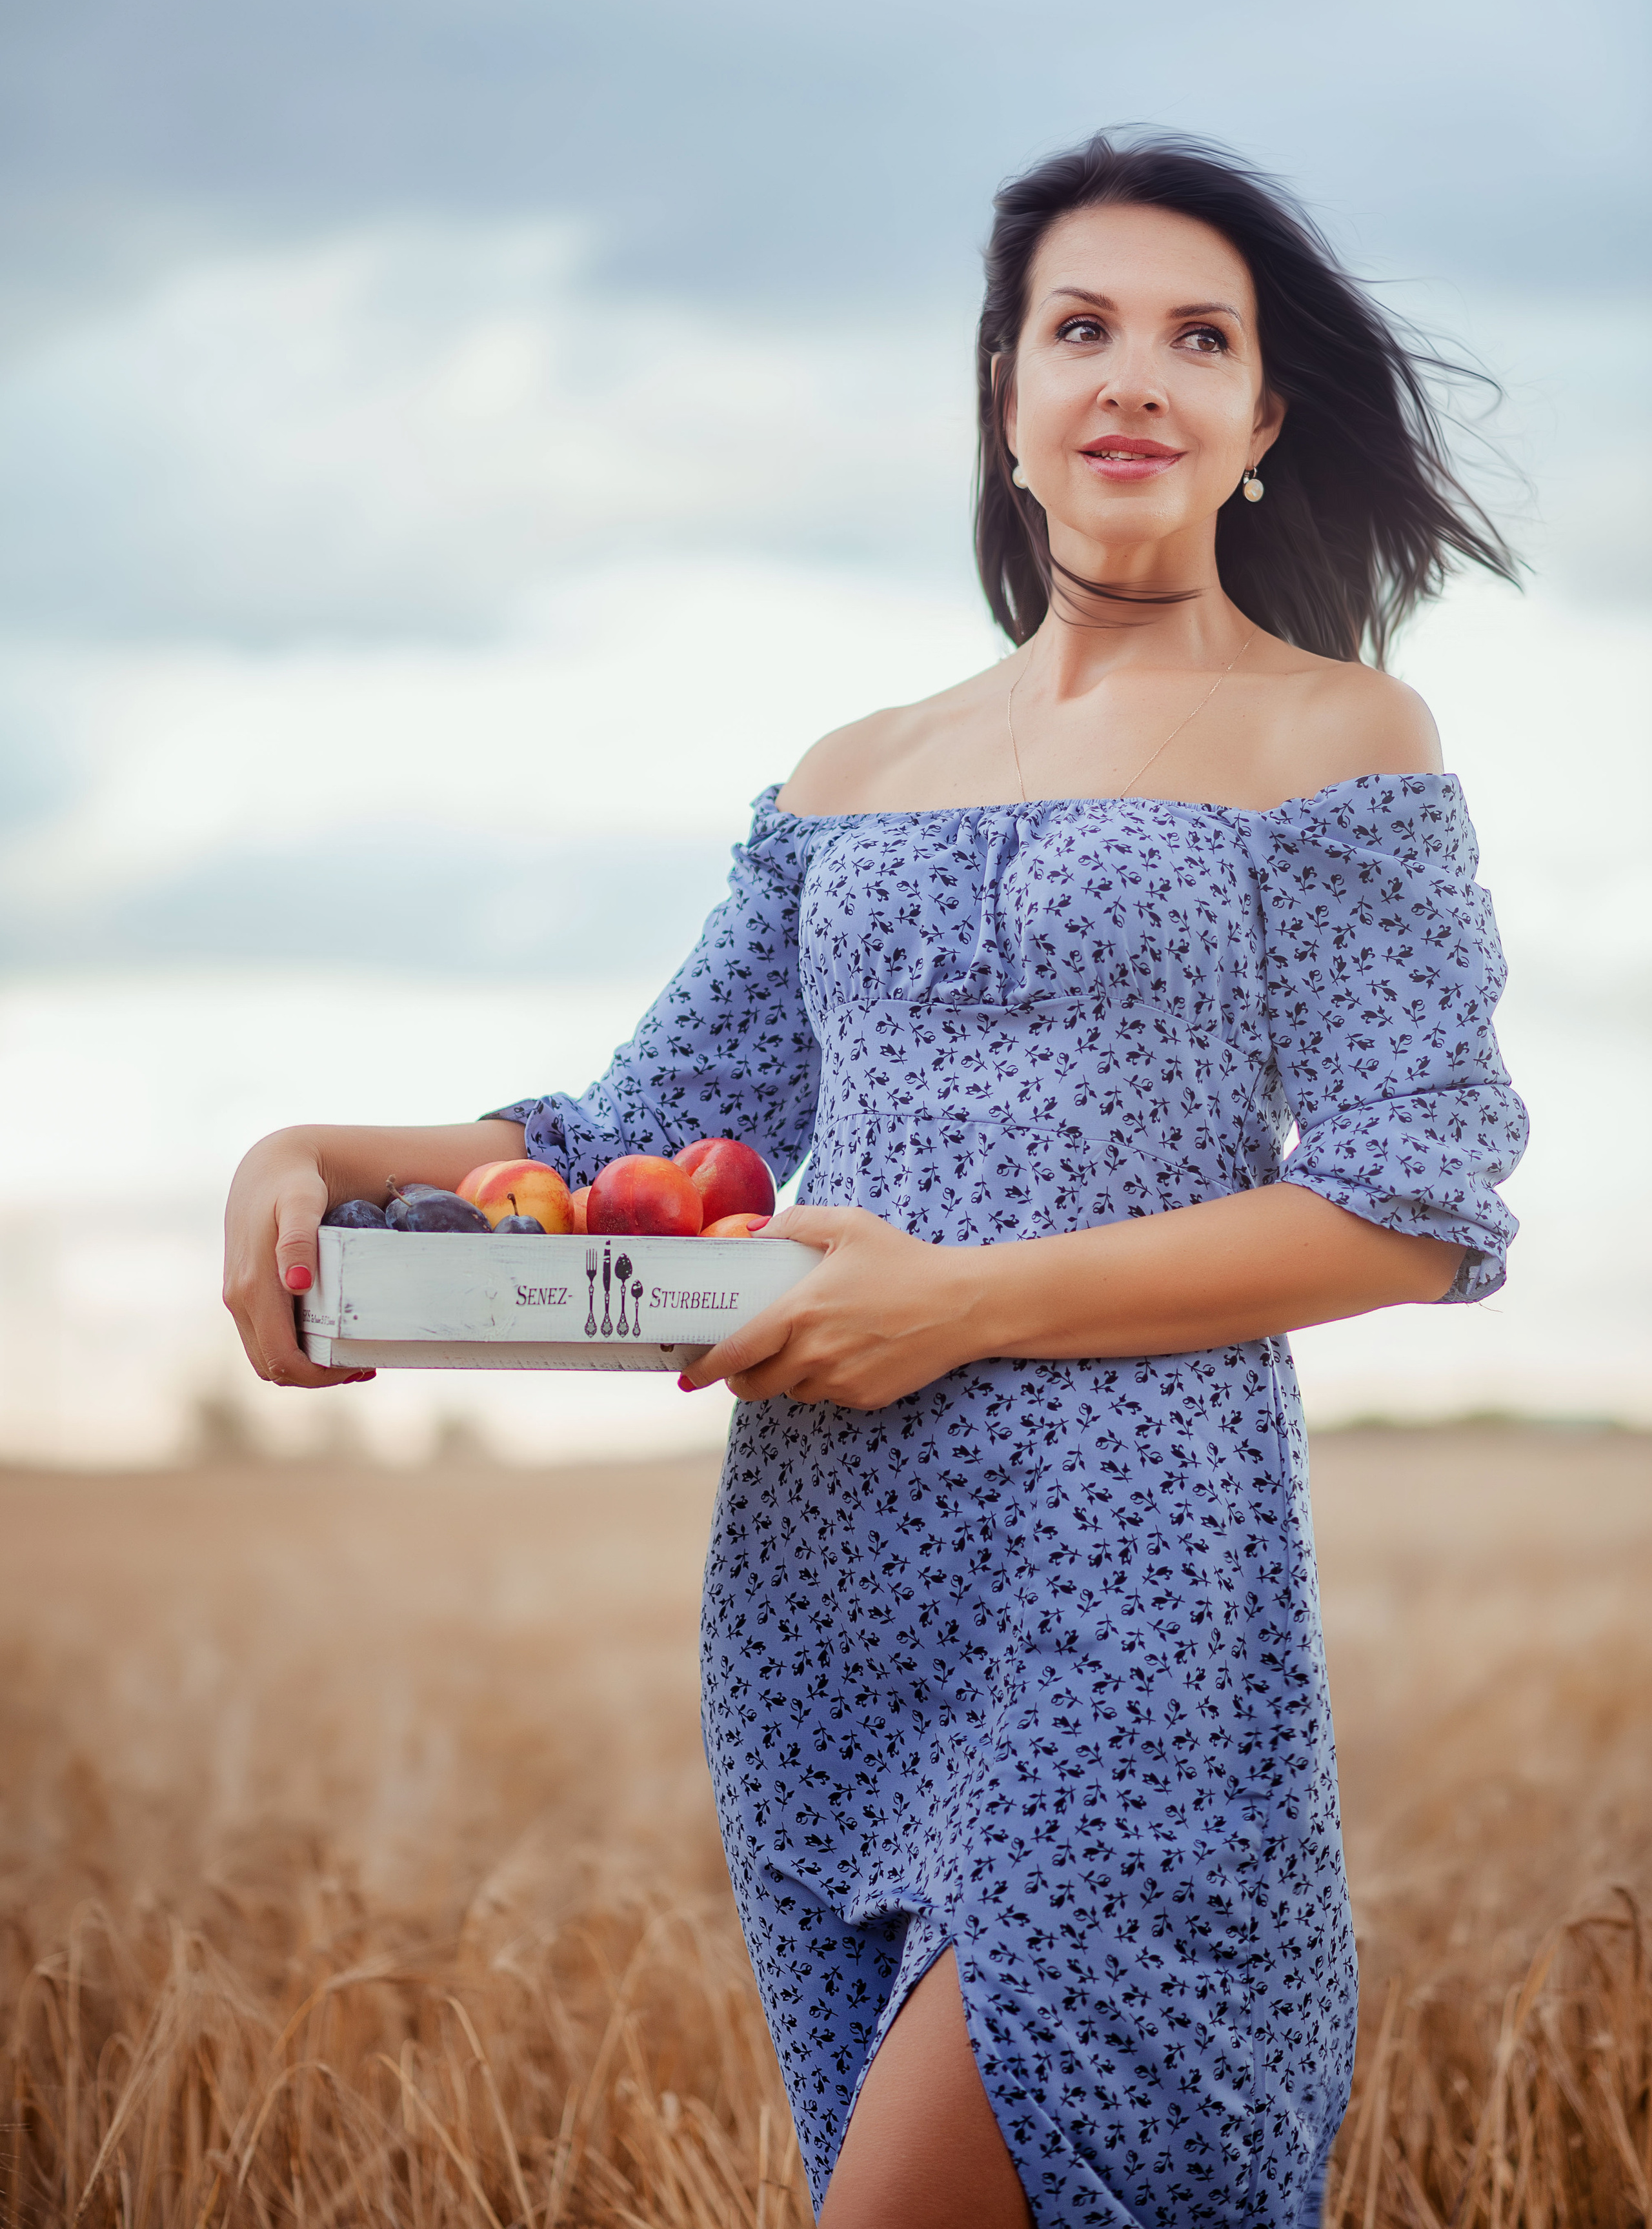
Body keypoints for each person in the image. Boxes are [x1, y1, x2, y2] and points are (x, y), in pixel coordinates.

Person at [224, 130, 1528, 2228]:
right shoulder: (850, 777)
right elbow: (612, 1148)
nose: (1135, 376)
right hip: (826, 1592)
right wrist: (311, 1157)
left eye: (1200, 339)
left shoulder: (1340, 736)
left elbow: (1411, 1200)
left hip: (1131, 1584)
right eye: (1080, 327)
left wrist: (962, 1298)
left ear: (1262, 424)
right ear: (1005, 397)